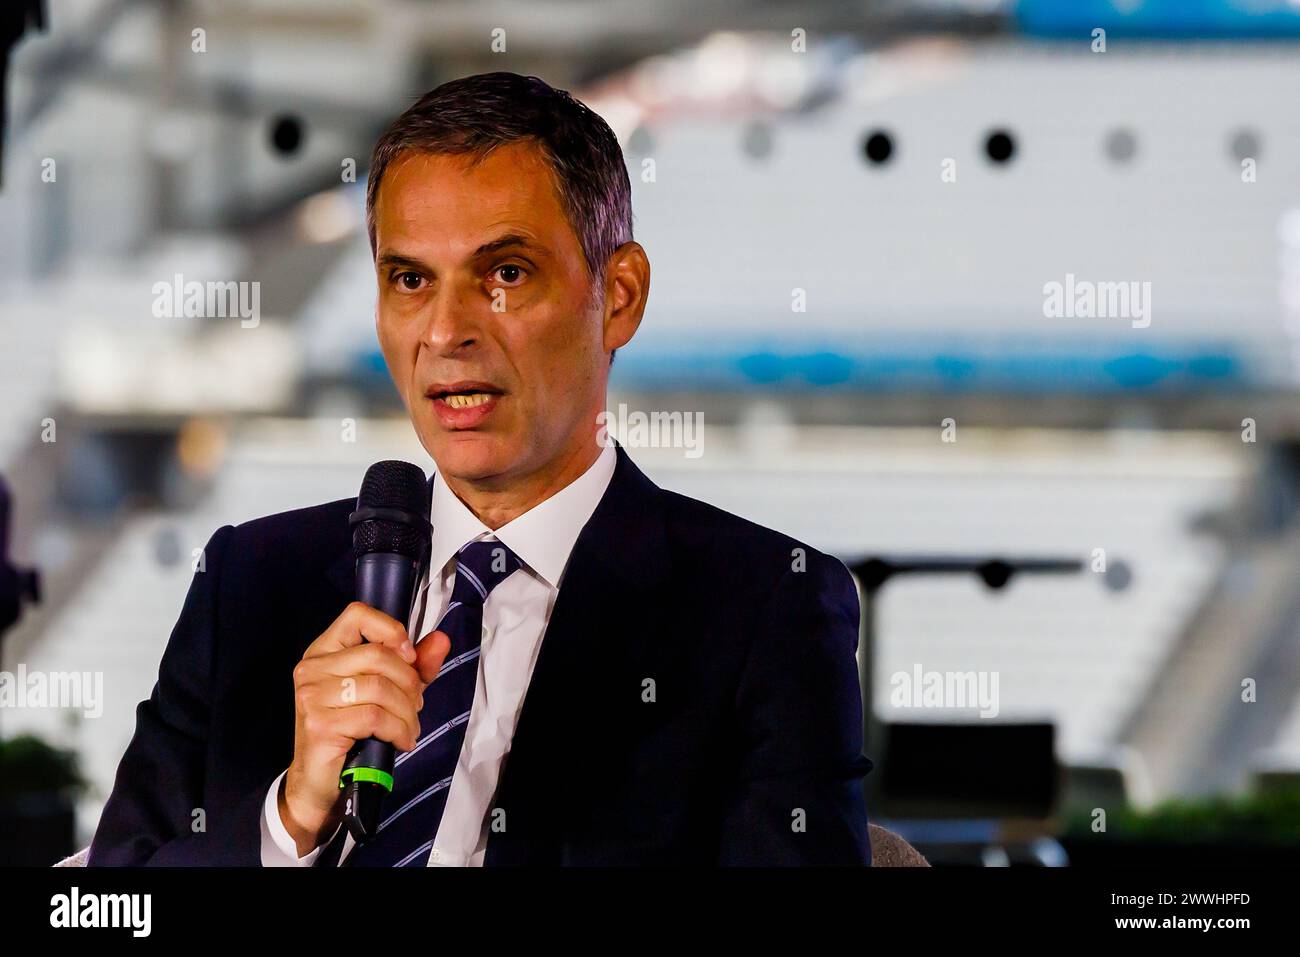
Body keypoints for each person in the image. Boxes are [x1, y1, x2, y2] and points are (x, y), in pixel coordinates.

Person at [88, 72, 871, 867]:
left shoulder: (766, 606)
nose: (447, 330)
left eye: (504, 274)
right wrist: (288, 819)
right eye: (410, 279)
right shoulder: (249, 581)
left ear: (621, 295)